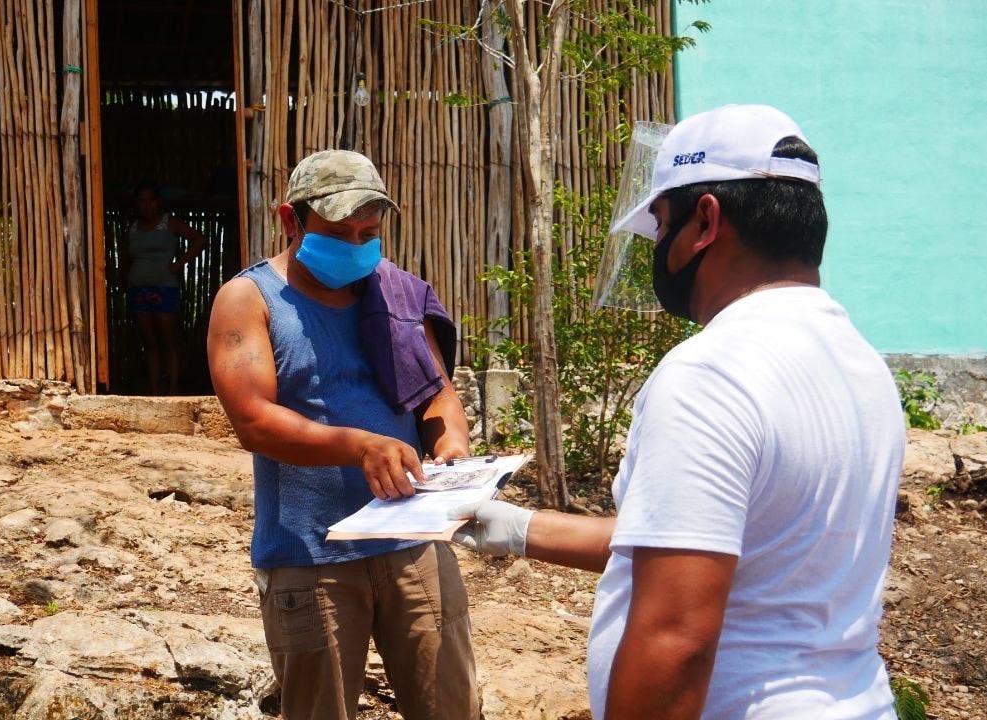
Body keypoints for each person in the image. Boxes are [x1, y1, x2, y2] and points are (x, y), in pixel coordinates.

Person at [453, 105, 905, 720]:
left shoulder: (712, 372)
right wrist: (517, 527)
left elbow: (677, 638)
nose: (658, 248)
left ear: (705, 222)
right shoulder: (860, 363)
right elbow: (706, 539)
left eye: (661, 224)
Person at [206, 149, 480, 719]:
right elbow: (253, 419)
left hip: (414, 542)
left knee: (450, 705)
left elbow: (436, 394)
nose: (355, 245)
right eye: (337, 231)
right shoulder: (248, 299)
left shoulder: (399, 293)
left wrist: (451, 446)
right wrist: (359, 446)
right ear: (291, 220)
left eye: (368, 231)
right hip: (311, 555)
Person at [121, 180, 209, 395]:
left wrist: (179, 263)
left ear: (158, 202)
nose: (147, 205)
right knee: (149, 342)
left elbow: (200, 240)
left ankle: (172, 391)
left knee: (169, 340)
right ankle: (154, 391)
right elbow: (125, 259)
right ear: (137, 204)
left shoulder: (169, 223)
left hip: (165, 289)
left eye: (151, 200)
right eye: (142, 201)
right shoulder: (132, 228)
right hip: (139, 290)